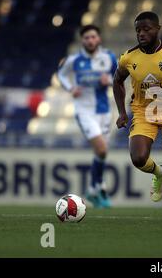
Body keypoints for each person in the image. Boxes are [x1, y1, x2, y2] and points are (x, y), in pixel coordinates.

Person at [113, 11, 162, 223]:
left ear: (158, 29)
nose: (142, 33)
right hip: (143, 112)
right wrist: (121, 112)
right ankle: (158, 172)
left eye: (146, 29)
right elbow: (117, 81)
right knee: (138, 158)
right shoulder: (129, 57)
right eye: (138, 30)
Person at [57, 24, 116, 208]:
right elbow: (61, 75)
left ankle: (92, 190)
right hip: (84, 111)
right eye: (86, 37)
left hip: (104, 111)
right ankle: (99, 186)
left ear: (98, 39)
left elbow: (121, 77)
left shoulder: (108, 57)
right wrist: (70, 88)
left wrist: (111, 80)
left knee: (101, 153)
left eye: (93, 37)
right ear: (82, 41)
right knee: (102, 149)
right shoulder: (74, 60)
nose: (90, 40)